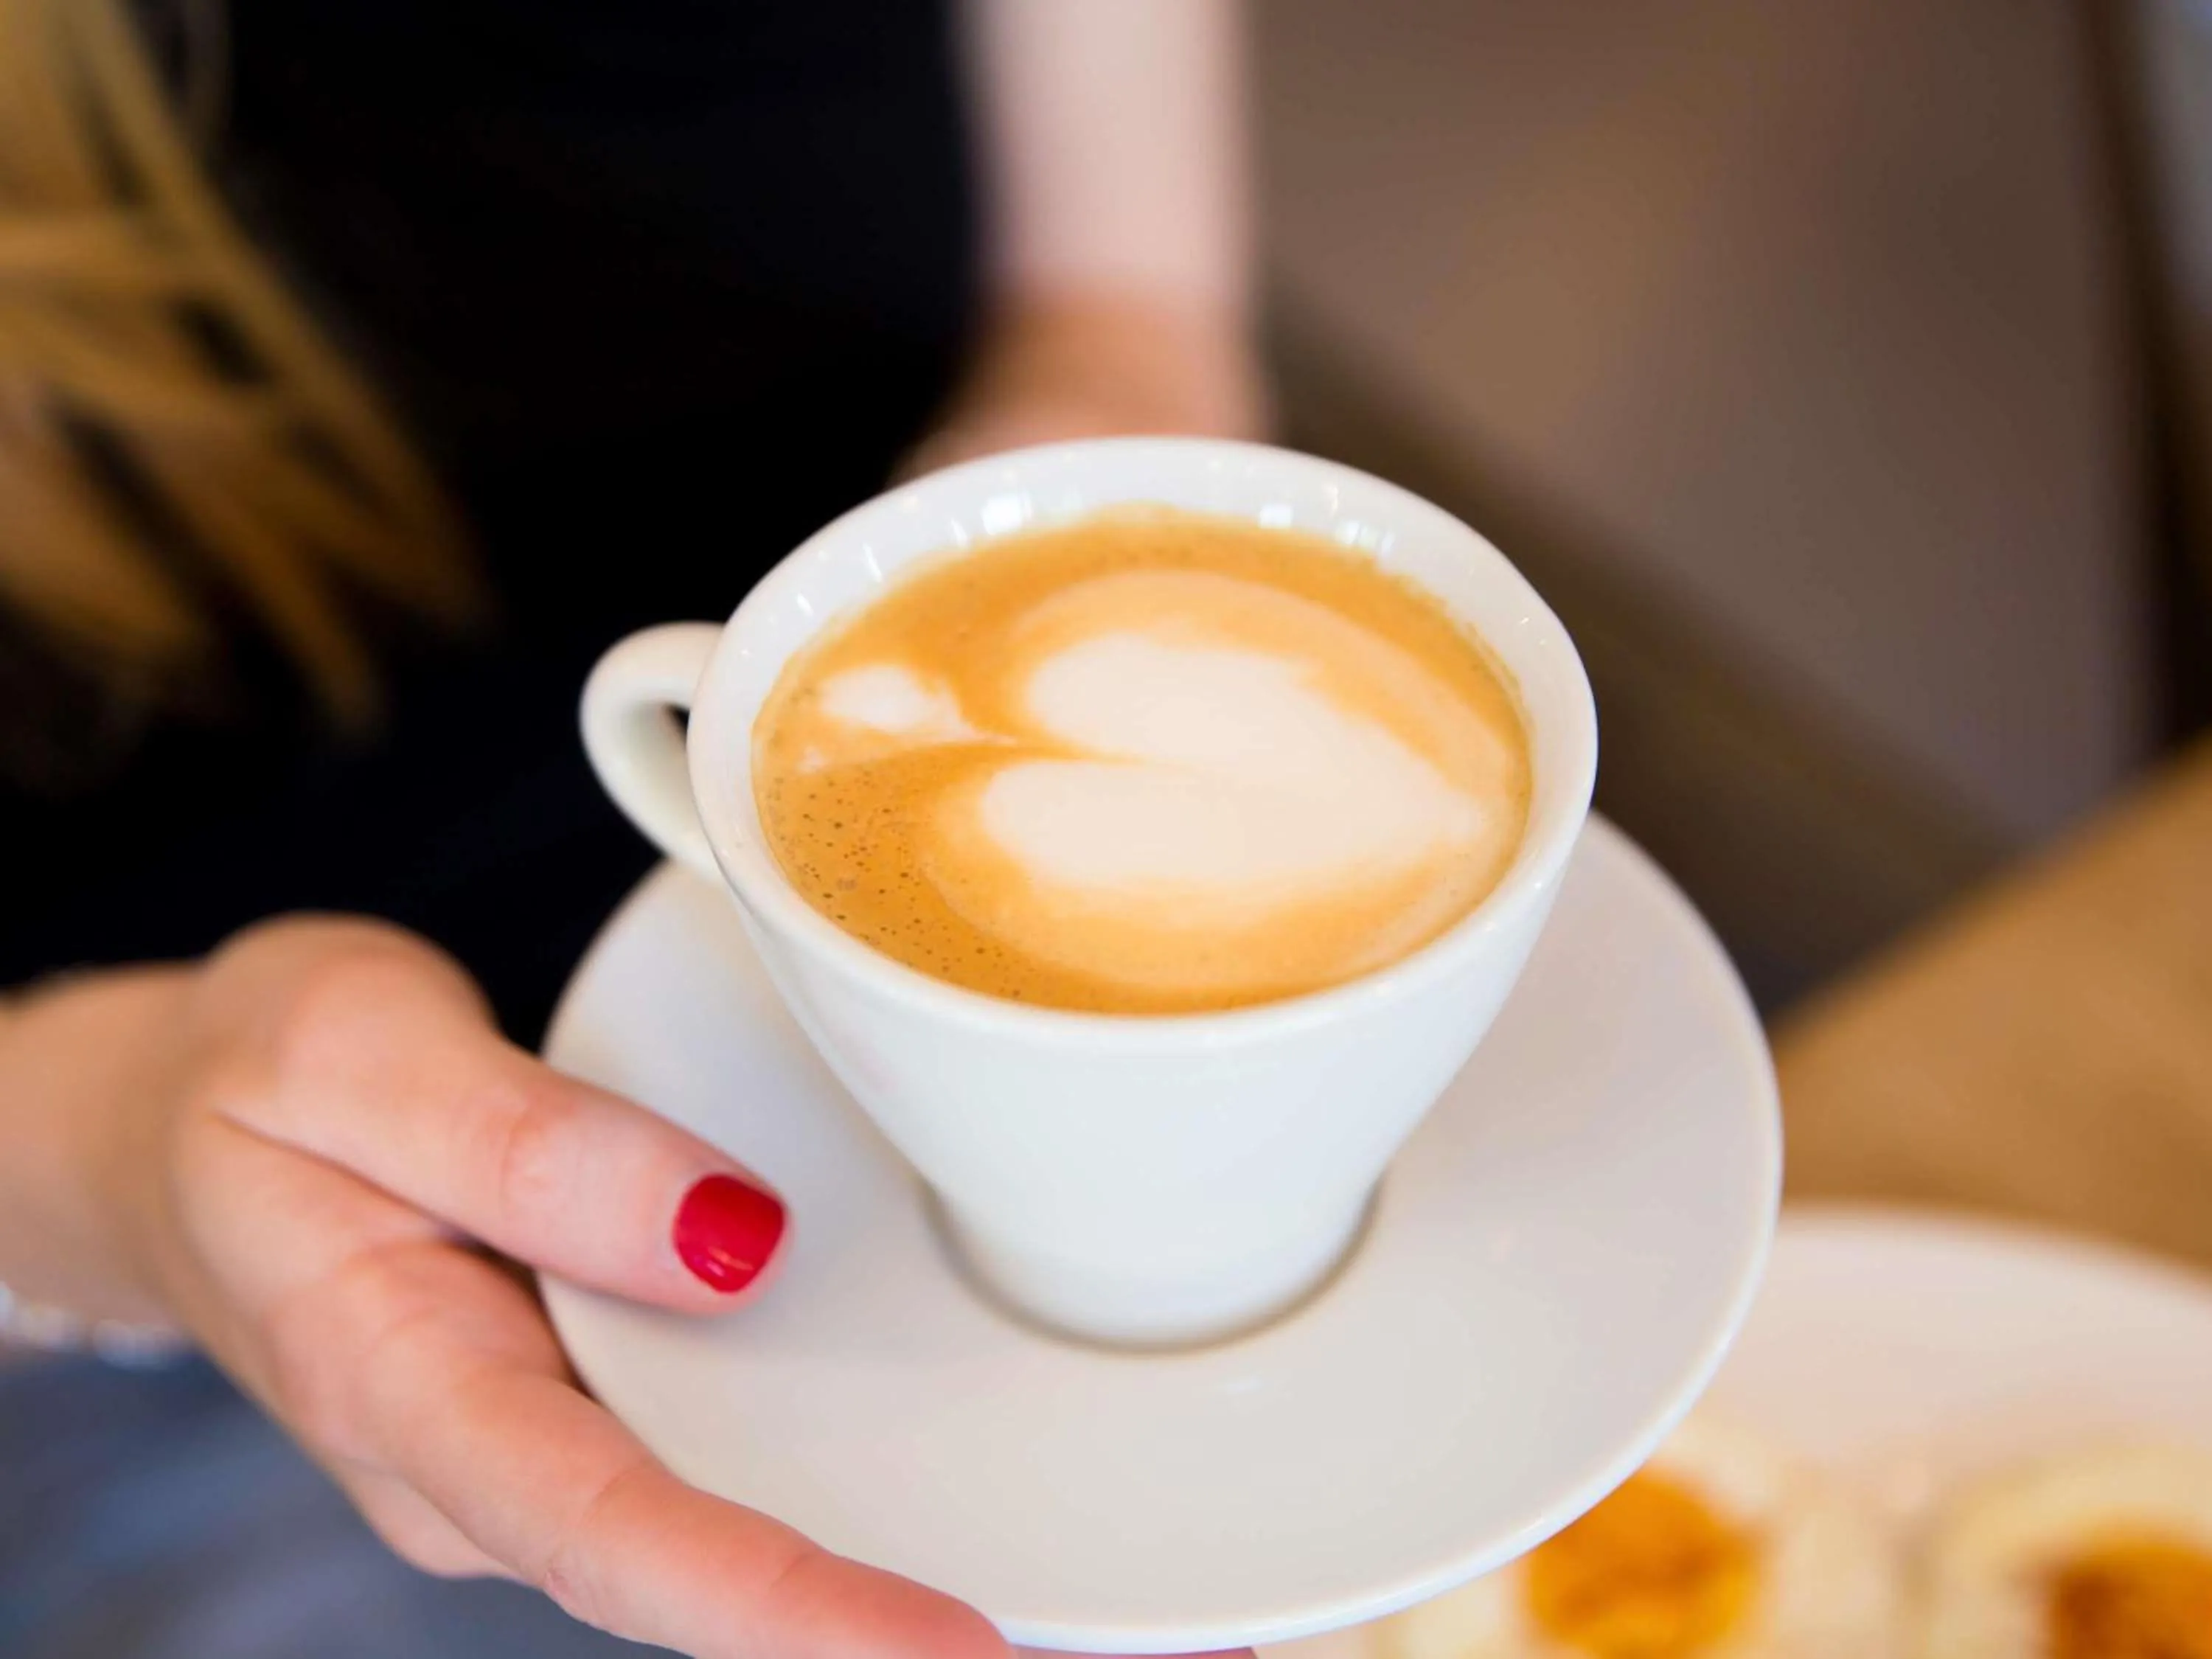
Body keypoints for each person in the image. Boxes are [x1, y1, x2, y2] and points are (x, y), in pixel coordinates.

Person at [0, 2, 1263, 1655]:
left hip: (1026, 949)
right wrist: (113, 1155)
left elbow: (1118, 292)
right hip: (173, 1281)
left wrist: (1090, 411)